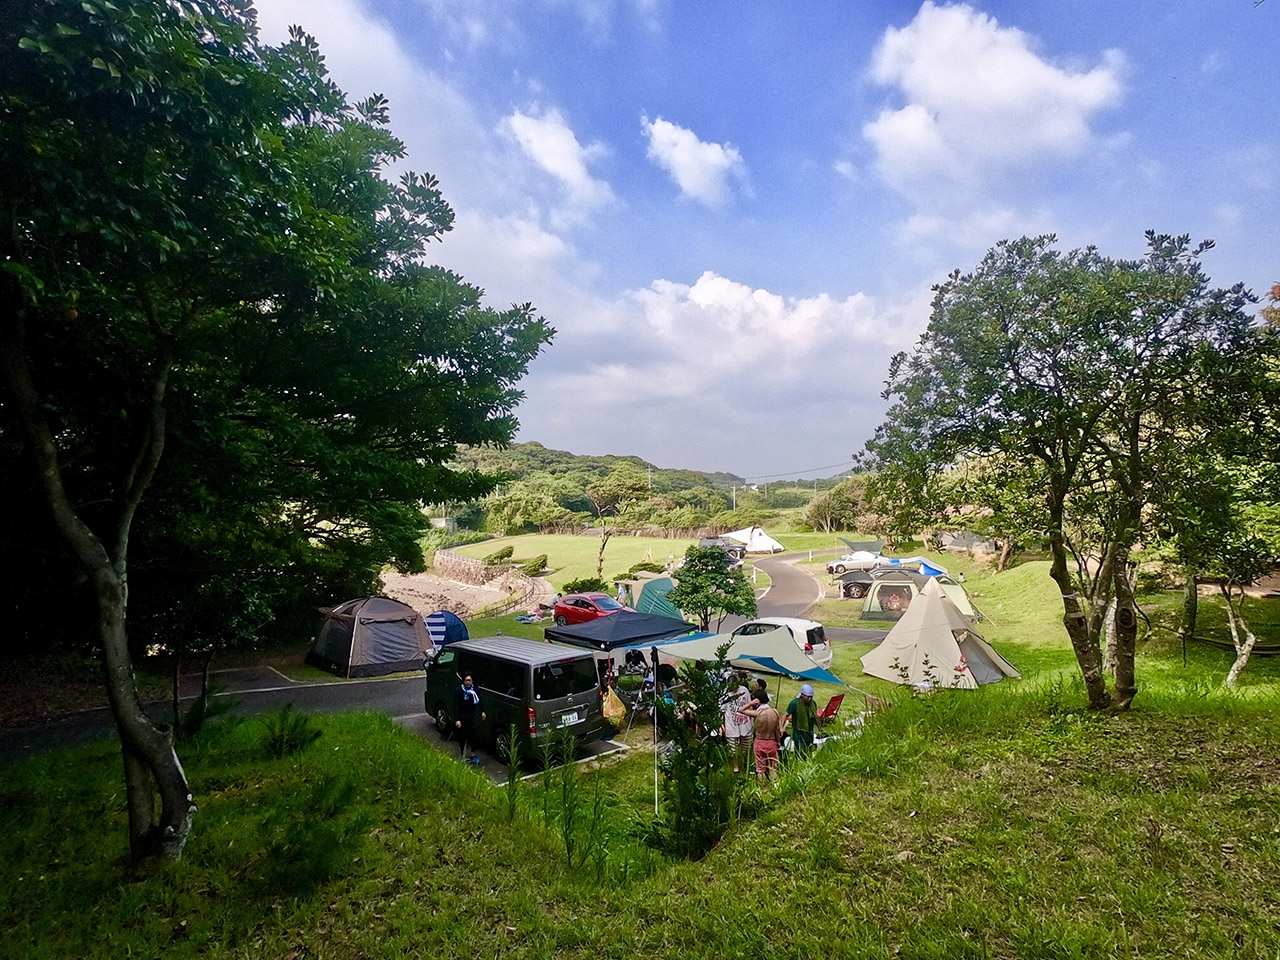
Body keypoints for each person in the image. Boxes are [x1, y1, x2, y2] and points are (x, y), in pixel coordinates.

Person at [743, 697, 784, 784]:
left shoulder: (758, 713)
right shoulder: (775, 712)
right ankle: (775, 786)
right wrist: (778, 741)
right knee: (773, 767)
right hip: (771, 742)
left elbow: (741, 710)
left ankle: (762, 789)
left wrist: (751, 703)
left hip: (759, 742)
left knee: (760, 769)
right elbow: (777, 730)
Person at [719, 672, 753, 774]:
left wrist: (752, 720)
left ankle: (745, 764)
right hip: (731, 725)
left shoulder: (744, 690)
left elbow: (749, 705)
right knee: (733, 750)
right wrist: (721, 726)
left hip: (745, 725)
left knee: (746, 749)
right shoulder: (724, 694)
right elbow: (721, 712)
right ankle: (736, 767)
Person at [452, 673, 486, 764]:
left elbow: (480, 700)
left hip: (472, 715)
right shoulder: (459, 691)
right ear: (463, 681)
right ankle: (462, 753)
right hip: (462, 716)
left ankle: (473, 753)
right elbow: (455, 706)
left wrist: (482, 711)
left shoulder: (474, 690)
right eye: (466, 680)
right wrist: (457, 719)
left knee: (474, 735)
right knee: (462, 736)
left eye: (469, 680)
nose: (468, 682)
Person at [785, 683, 819, 755]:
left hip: (809, 734)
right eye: (808, 697)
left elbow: (815, 717)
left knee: (808, 753)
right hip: (799, 735)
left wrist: (820, 727)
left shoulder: (813, 704)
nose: (810, 699)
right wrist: (781, 728)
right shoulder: (795, 703)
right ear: (802, 695)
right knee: (800, 753)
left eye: (811, 697)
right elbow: (785, 715)